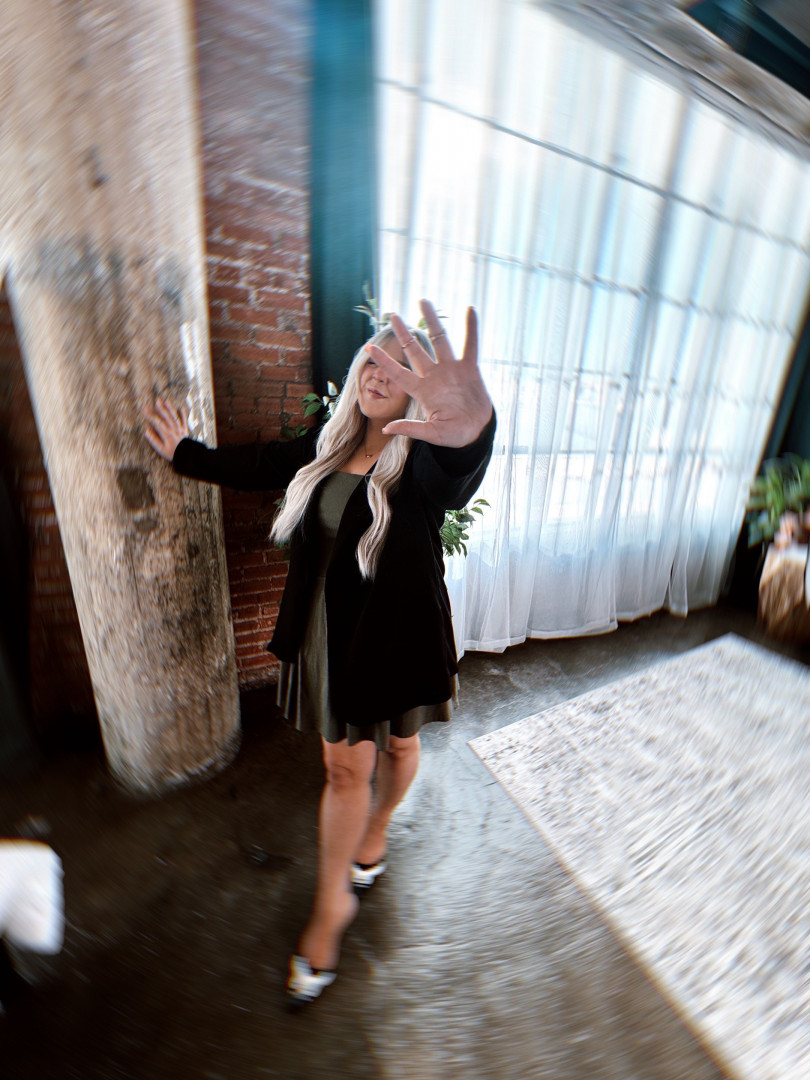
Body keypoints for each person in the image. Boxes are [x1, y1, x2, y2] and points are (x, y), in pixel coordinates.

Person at [144, 299, 495, 1004]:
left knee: (400, 747)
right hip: (331, 635)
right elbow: (254, 465)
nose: (377, 374)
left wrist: (471, 437)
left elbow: (455, 482)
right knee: (344, 768)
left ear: (415, 390)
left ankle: (379, 827)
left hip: (399, 635)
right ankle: (331, 906)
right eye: (371, 360)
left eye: (394, 368)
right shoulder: (325, 448)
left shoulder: (423, 460)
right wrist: (186, 453)